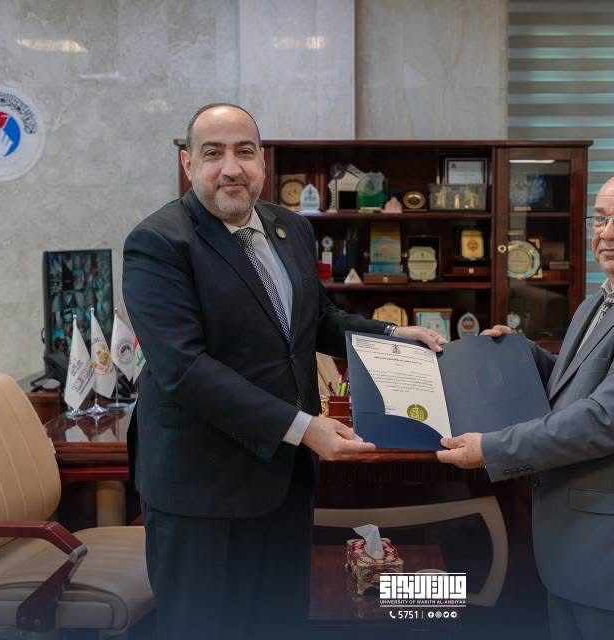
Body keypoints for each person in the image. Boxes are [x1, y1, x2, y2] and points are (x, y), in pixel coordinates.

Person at [122, 103, 445, 639]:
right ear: (188, 163)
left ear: (263, 161)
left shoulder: (289, 227)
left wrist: (391, 335)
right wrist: (303, 427)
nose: (231, 168)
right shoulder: (158, 242)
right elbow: (184, 368)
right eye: (213, 153)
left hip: (284, 481)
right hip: (203, 489)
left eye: (244, 151)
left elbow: (317, 321)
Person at [438, 172, 614, 640]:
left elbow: (604, 419)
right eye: (600, 219)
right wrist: (523, 355)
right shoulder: (604, 300)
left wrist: (491, 448)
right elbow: (587, 383)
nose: (608, 233)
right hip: (583, 545)